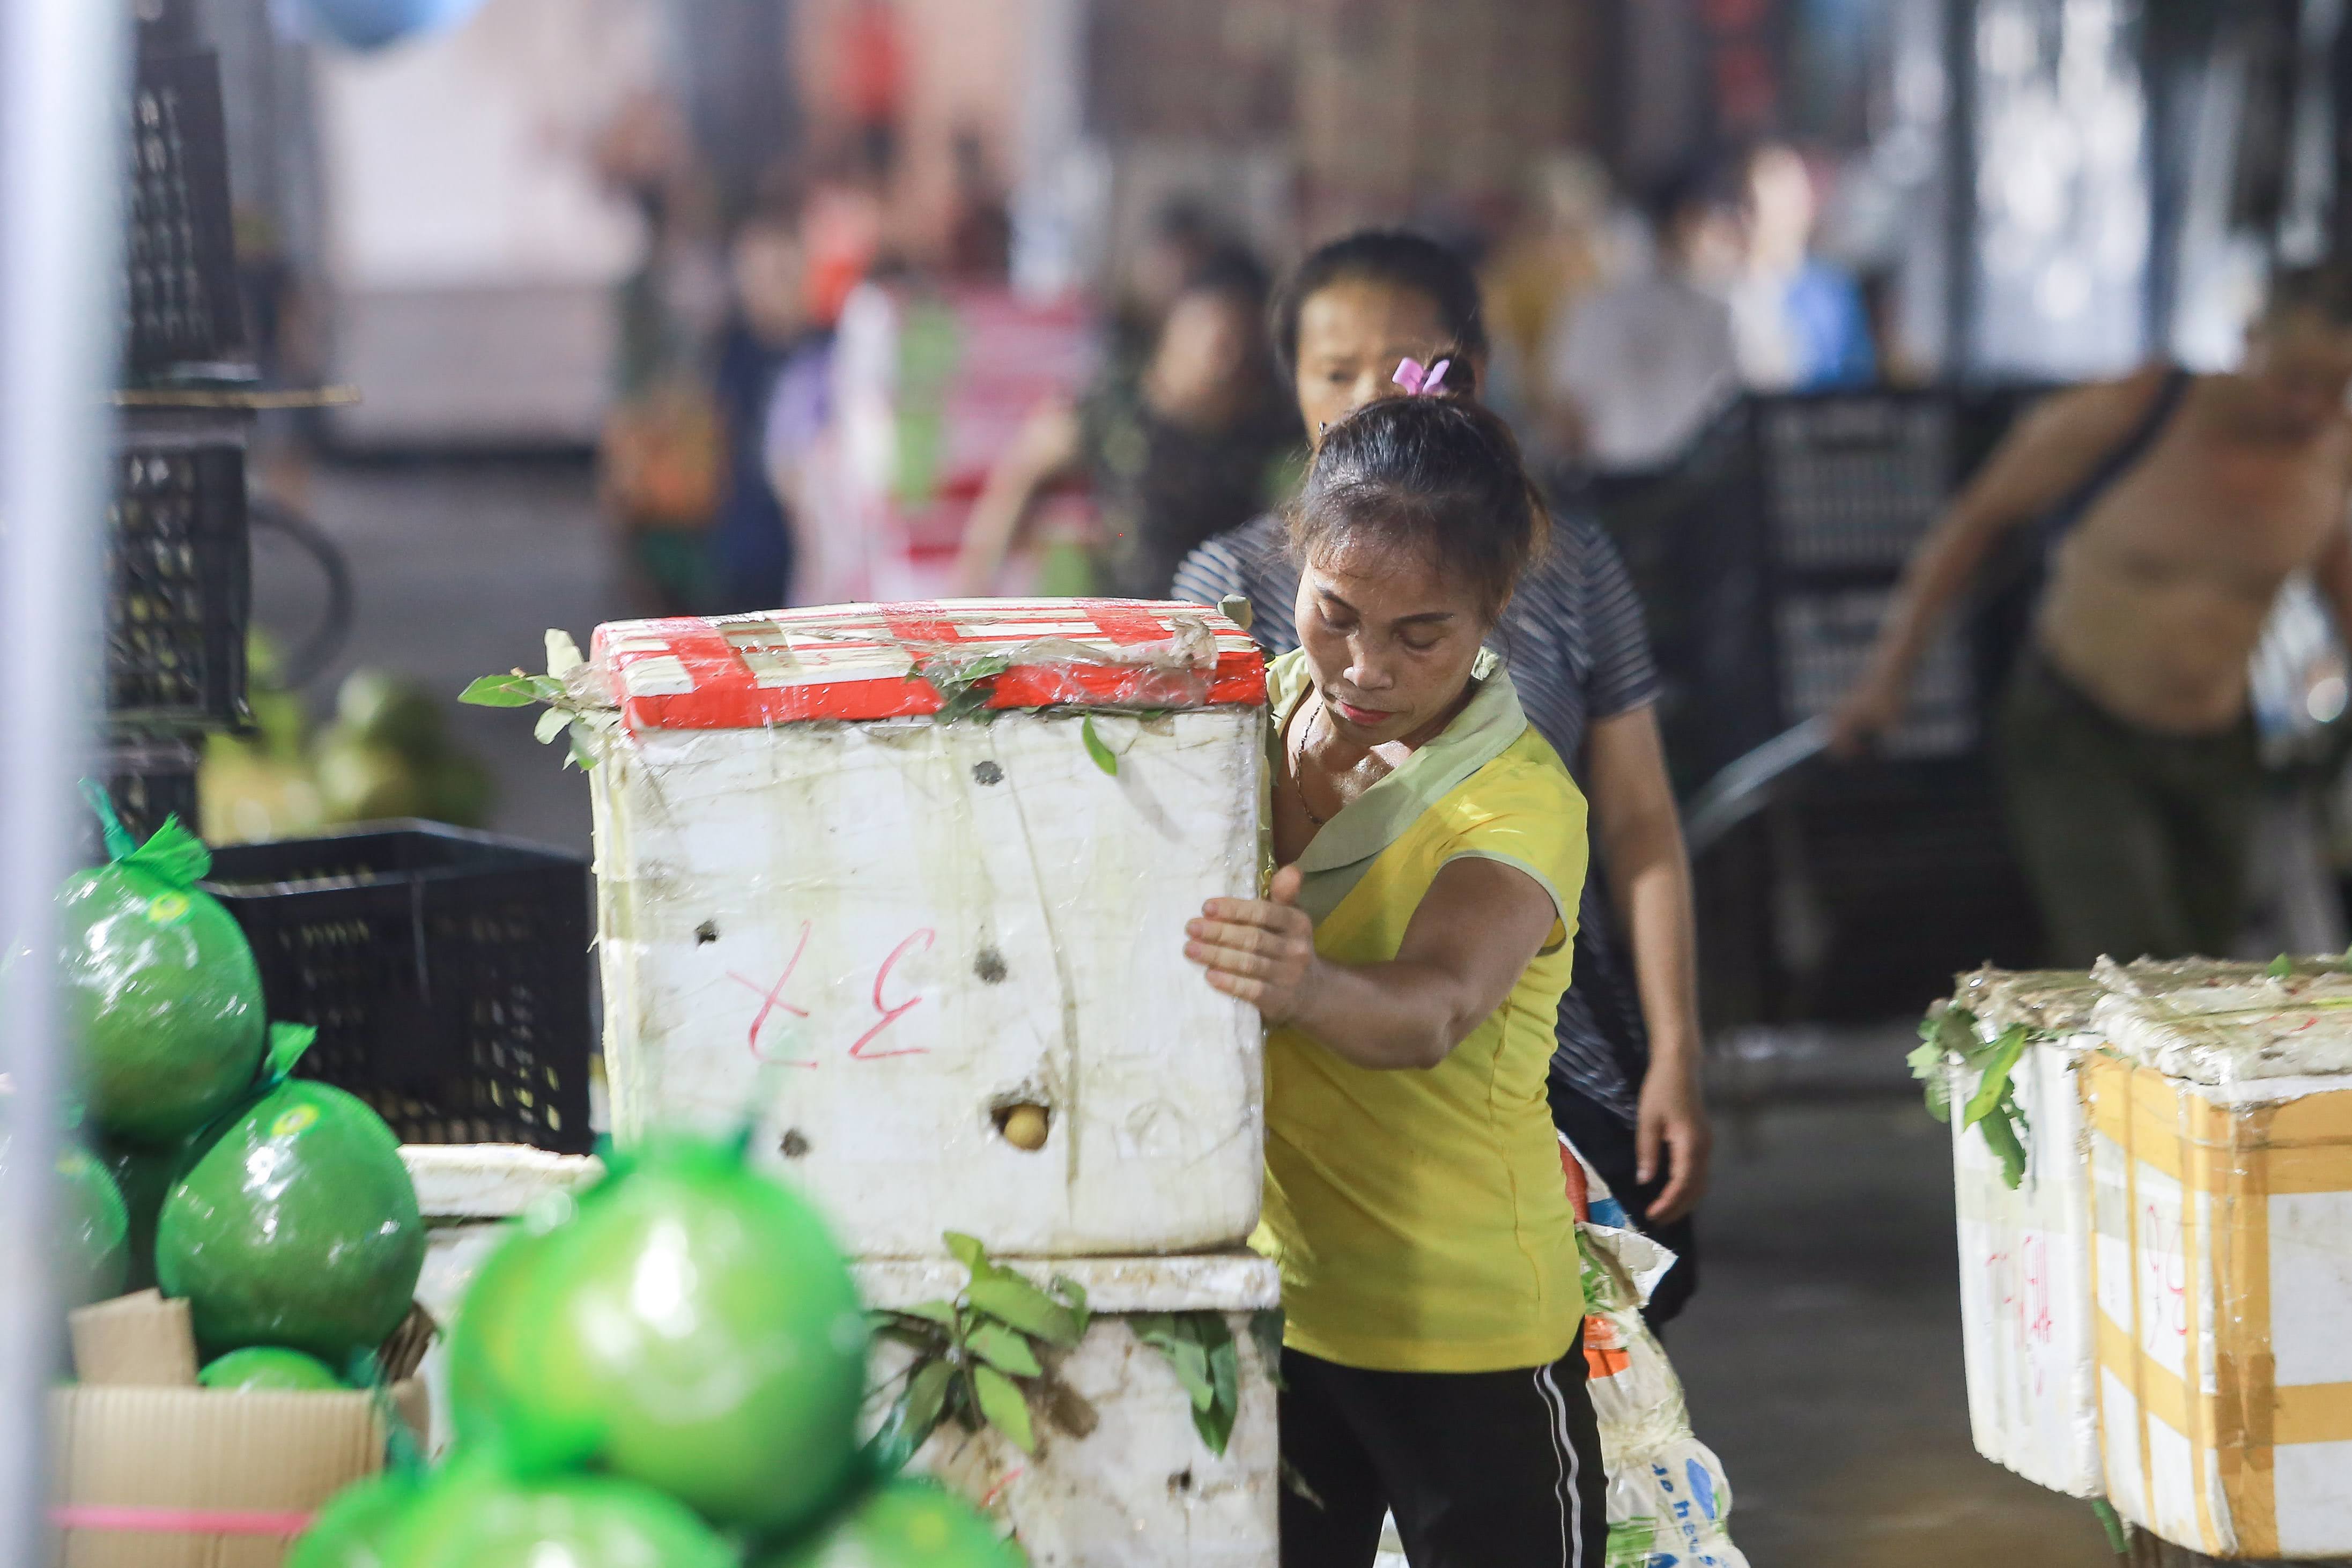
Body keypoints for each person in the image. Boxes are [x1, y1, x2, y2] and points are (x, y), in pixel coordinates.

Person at [1174, 231, 1710, 1324]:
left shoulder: (1572, 572)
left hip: (1535, 1038)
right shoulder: (1229, 583)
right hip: (1306, 1062)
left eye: (1403, 361)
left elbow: (1643, 826)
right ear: (1294, 388)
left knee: (1559, 1350)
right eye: (1335, 372)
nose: (1370, 395)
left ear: (1466, 370)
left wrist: (1678, 1047)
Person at [1184, 387, 1608, 1567]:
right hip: (1281, 1307)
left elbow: (1437, 1006)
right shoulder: (1240, 717)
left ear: (1492, 610)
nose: (1365, 667)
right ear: (1298, 567)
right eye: (1335, 615)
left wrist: (1303, 985)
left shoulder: (1516, 804)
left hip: (1466, 1336)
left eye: (1421, 634)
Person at [1831, 262, 2352, 966]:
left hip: (2219, 745)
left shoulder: (2331, 459)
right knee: (2130, 961)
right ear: (2249, 340)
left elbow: (2341, 589)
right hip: (2079, 732)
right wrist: (1885, 678)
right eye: (2293, 380)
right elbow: (1971, 525)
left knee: (2212, 971)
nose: (2309, 408)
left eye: (2335, 388)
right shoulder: (2134, 410)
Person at [952, 251, 1301, 600]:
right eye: (1217, 340)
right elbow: (1025, 469)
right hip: (1123, 616)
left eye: (1241, 346)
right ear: (1177, 326)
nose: (1224, 362)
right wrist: (976, 586)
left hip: (1218, 616)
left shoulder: (1263, 424)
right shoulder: (1117, 407)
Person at [1544, 170, 1744, 473]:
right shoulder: (1714, 314)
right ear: (1687, 221)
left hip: (1615, 486)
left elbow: (1569, 415)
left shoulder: (1591, 309)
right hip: (1692, 485)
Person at [1727, 141, 1875, 391]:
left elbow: (1857, 381)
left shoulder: (1833, 296)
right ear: (1748, 211)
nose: (1790, 210)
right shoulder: (1726, 293)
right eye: (1777, 199)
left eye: (1795, 198)